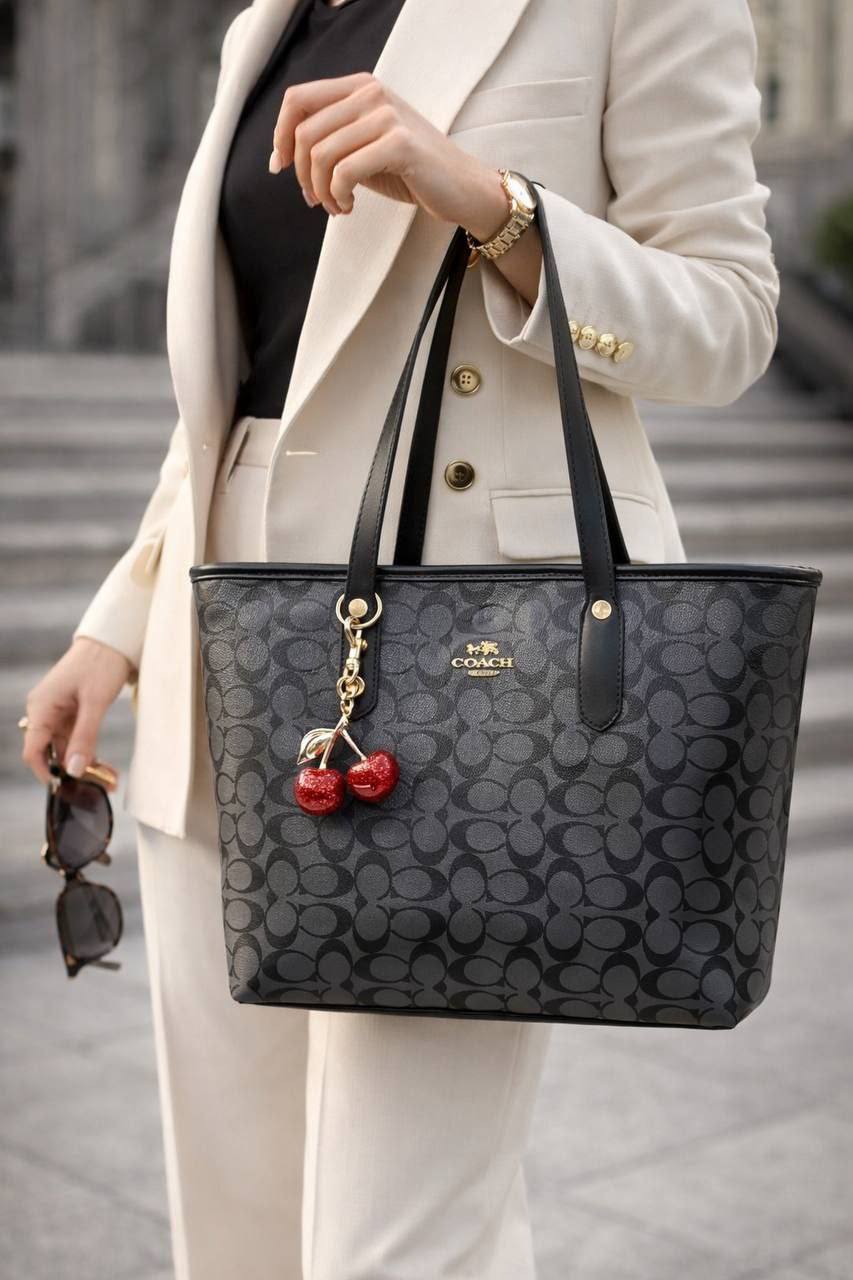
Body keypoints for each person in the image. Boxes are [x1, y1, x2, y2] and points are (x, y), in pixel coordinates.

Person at [21, 1, 779, 1276]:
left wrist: (496, 206)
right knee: (241, 1223)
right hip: (230, 647)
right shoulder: (267, 22)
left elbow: (731, 317)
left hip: (465, 676)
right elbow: (248, 382)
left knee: (405, 1243)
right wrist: (118, 618)